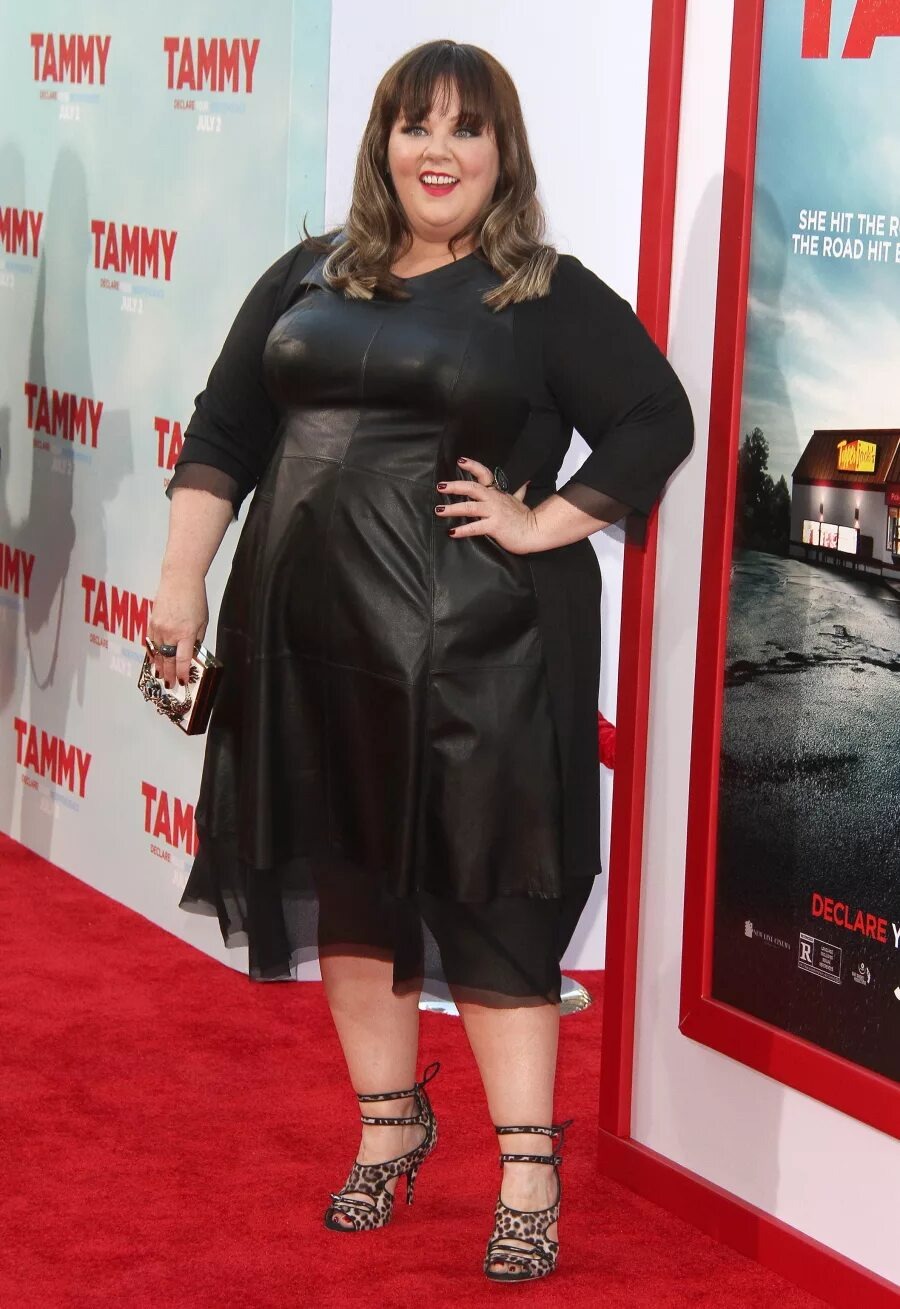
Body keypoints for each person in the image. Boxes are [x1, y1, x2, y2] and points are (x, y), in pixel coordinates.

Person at [147, 39, 693, 1283]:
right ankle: (390, 1127)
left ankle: (527, 1171)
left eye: (466, 128)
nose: (438, 151)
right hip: (308, 643)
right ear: (382, 143)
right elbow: (225, 428)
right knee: (349, 883)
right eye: (416, 125)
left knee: (492, 901)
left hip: (478, 654)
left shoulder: (542, 294)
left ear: (503, 153)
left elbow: (655, 414)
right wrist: (181, 582)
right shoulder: (308, 271)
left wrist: (548, 519)